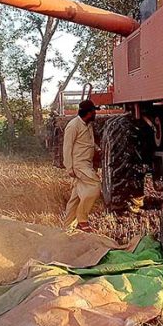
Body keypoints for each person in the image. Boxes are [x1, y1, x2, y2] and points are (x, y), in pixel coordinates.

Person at [62, 99, 101, 232]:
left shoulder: (88, 124)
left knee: (76, 197)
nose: (95, 113)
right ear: (89, 113)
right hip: (79, 164)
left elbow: (88, 142)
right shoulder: (73, 126)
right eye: (94, 111)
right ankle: (82, 220)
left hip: (87, 164)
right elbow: (67, 147)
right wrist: (69, 167)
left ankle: (67, 226)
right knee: (95, 186)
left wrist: (98, 149)